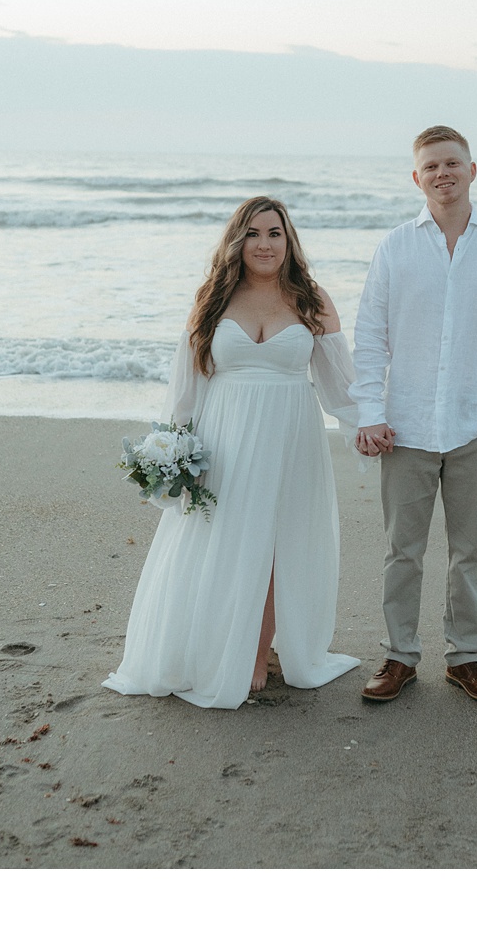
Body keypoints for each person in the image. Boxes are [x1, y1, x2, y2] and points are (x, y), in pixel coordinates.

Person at [104, 197, 360, 709]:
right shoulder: (213, 298)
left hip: (290, 437)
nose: (264, 244)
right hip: (222, 437)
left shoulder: (312, 299)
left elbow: (340, 385)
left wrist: (369, 428)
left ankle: (257, 651)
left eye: (275, 233)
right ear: (237, 241)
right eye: (253, 234)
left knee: (272, 542)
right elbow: (185, 385)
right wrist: (171, 450)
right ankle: (206, 640)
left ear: (289, 241)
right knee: (216, 539)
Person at [350, 126, 477, 704]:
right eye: (431, 167)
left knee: (469, 550)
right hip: (403, 428)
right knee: (401, 549)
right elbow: (370, 338)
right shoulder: (394, 248)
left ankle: (467, 659)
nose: (442, 174)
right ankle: (399, 656)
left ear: (473, 170)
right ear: (416, 178)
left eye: (452, 163)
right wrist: (369, 412)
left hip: (476, 426)